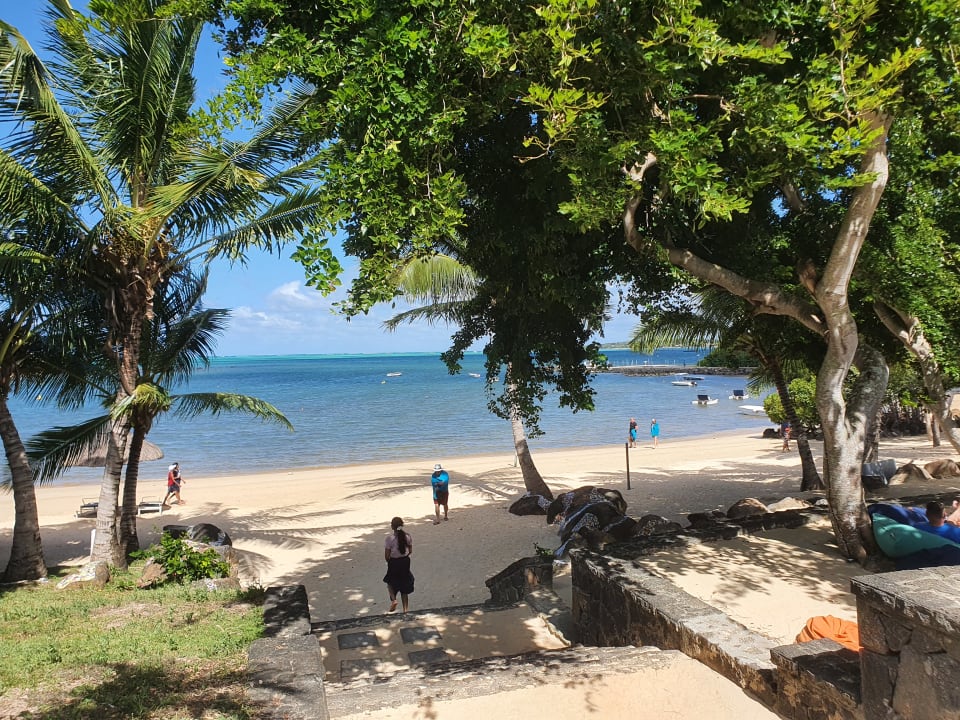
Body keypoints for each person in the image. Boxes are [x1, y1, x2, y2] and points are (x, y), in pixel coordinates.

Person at [383, 516, 414, 613]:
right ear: (402, 525)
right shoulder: (407, 536)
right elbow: (410, 551)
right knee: (404, 586)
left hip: (394, 562)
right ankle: (405, 610)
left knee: (390, 582)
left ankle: (394, 599)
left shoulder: (389, 539)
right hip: (405, 562)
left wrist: (390, 561)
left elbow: (387, 556)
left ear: (392, 526)